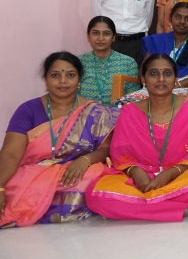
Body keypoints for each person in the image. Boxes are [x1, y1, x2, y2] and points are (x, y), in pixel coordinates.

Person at [85, 55, 188, 221]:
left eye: (167, 73)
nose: (161, 79)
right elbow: (121, 157)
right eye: (153, 73)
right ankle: (185, 209)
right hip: (141, 180)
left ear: (175, 79)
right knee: (94, 194)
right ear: (143, 79)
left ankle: (143, 204)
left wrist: (170, 174)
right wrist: (136, 172)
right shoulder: (129, 112)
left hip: (181, 176)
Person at [0, 52, 118, 227]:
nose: (63, 81)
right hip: (33, 173)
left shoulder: (95, 111)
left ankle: (40, 206)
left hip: (76, 173)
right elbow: (11, 154)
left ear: (79, 80)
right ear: (46, 80)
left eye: (70, 75)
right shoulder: (27, 110)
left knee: (97, 176)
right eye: (55, 75)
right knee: (13, 183)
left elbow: (107, 149)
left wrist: (85, 160)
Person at [112, 3, 188, 105]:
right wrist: (155, 84)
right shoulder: (158, 40)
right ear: (170, 19)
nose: (182, 21)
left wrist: (178, 84)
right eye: (178, 17)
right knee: (118, 105)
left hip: (185, 90)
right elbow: (143, 70)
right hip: (154, 88)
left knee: (167, 104)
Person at [78, 16, 140, 107]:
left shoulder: (128, 63)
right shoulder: (78, 62)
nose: (100, 38)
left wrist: (112, 111)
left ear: (113, 37)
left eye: (106, 34)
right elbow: (73, 97)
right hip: (84, 114)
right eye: (95, 33)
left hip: (119, 114)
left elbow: (134, 99)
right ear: (88, 36)